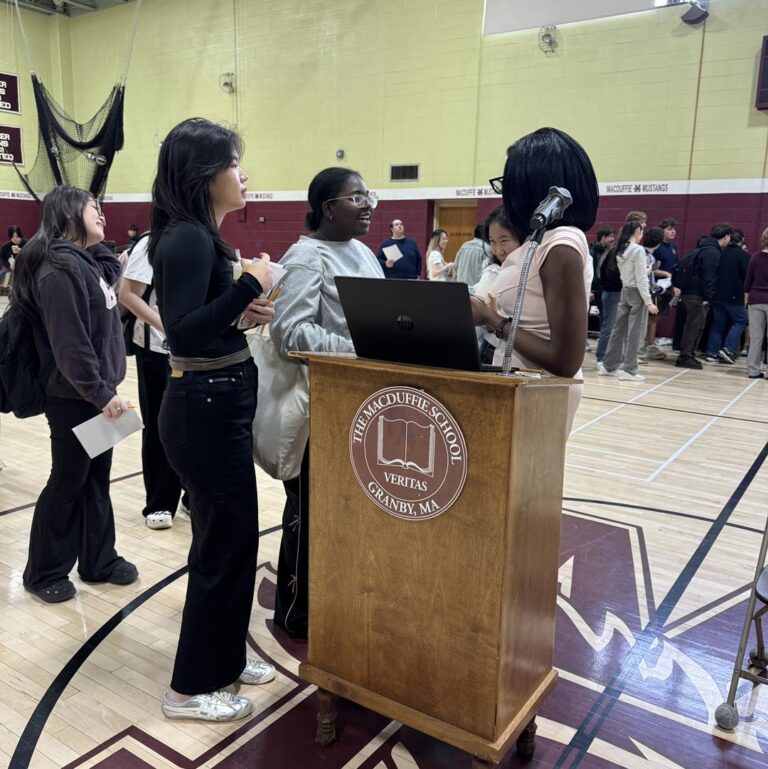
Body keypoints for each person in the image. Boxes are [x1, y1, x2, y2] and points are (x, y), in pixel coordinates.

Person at [149, 117, 276, 722]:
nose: (242, 175)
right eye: (232, 164)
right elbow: (181, 333)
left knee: (232, 539)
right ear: (204, 175)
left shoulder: (200, 236)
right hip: (203, 407)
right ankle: (188, 690)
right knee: (224, 547)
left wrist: (242, 312)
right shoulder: (188, 238)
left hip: (215, 402)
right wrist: (248, 284)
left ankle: (223, 656)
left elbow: (205, 322)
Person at [270, 167, 383, 640]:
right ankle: (295, 611)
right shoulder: (305, 257)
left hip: (364, 408)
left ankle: (338, 597)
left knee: (346, 515)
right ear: (328, 208)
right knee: (311, 512)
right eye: (356, 197)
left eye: (369, 195)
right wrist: (364, 349)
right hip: (320, 409)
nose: (368, 204)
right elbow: (289, 334)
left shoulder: (363, 252)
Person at [11, 186, 137, 604]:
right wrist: (101, 394)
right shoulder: (58, 270)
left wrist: (103, 393)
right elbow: (71, 345)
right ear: (68, 214)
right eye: (93, 208)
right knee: (67, 481)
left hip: (96, 394)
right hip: (73, 397)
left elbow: (108, 283)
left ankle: (99, 561)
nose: (101, 214)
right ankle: (43, 571)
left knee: (95, 480)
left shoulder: (85, 263)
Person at [470, 127, 599, 434]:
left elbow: (565, 361)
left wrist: (490, 318)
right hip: (520, 381)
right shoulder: (539, 241)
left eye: (510, 183)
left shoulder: (561, 245)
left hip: (542, 391)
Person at [118, 234, 185, 530]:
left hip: (192, 347)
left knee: (191, 426)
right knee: (160, 427)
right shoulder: (151, 242)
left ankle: (190, 496)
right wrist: (169, 327)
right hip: (156, 349)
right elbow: (128, 295)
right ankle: (159, 502)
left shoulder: (203, 237)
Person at [597, 221, 659, 382]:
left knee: (618, 330)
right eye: (642, 230)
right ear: (637, 230)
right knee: (635, 333)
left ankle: (608, 366)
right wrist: (648, 301)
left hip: (625, 290)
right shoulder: (638, 250)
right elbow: (641, 277)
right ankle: (629, 370)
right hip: (637, 293)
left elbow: (630, 272)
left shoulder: (620, 248)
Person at [674, 223, 732, 369]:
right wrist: (708, 297)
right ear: (726, 236)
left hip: (690, 292)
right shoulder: (712, 252)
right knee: (695, 326)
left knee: (693, 325)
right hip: (697, 294)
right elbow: (709, 277)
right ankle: (685, 356)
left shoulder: (703, 248)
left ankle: (688, 354)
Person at [470, 207, 519, 363]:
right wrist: (491, 317)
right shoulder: (493, 271)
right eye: (492, 242)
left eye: (504, 241)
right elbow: (481, 314)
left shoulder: (532, 271)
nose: (498, 251)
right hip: (493, 348)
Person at [704, 228, 749, 365]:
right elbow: (746, 277)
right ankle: (728, 349)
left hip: (717, 294)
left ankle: (711, 352)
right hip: (734, 294)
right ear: (742, 240)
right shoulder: (744, 256)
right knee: (741, 320)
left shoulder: (720, 253)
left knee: (718, 324)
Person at [639, 226, 669, 363]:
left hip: (639, 290)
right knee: (645, 321)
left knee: (647, 321)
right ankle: (641, 350)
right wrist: (658, 289)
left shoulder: (643, 253)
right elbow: (645, 276)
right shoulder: (648, 256)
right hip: (644, 292)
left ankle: (646, 347)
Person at [744, 226, 768, 379]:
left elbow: (748, 282)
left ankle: (753, 370)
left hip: (755, 298)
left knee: (756, 337)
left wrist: (746, 300)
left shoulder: (755, 257)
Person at [589, 226, 615, 319]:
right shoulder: (592, 252)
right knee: (603, 317)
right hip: (596, 290)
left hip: (605, 288)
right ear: (603, 237)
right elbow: (589, 272)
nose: (613, 239)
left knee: (606, 316)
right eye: (610, 236)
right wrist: (590, 290)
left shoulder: (609, 251)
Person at [0, 225, 26, 295]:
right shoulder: (6, 246)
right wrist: (9, 266)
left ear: (20, 236)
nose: (15, 239)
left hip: (23, 267)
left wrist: (22, 251)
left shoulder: (26, 244)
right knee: (6, 275)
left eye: (17, 236)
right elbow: (2, 258)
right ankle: (5, 288)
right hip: (9, 267)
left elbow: (31, 256)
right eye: (13, 237)